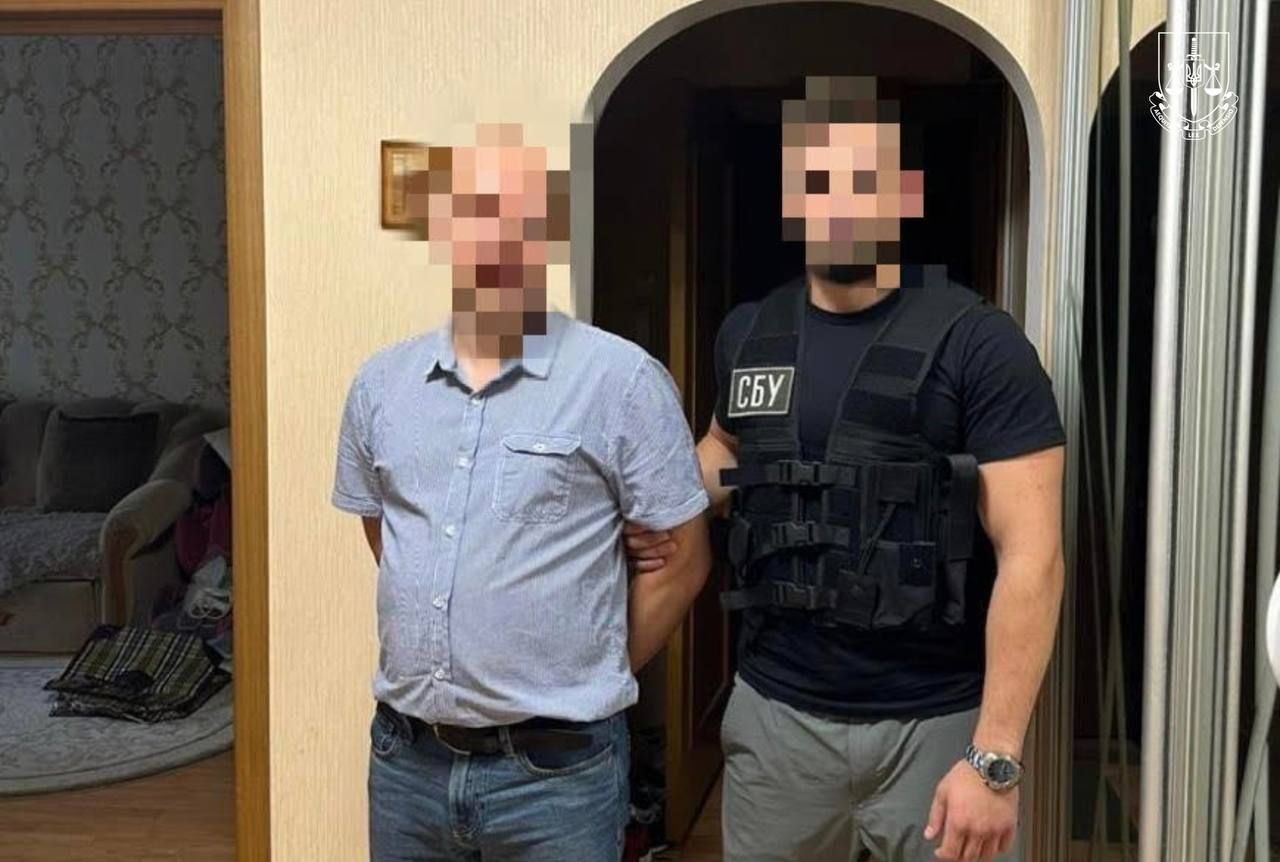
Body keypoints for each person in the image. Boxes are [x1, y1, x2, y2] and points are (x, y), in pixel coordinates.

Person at [626, 77, 1066, 862]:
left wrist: (994, 757)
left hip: (935, 725)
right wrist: (655, 506)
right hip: (778, 717)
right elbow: (727, 448)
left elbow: (1034, 557)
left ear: (905, 194)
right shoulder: (750, 332)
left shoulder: (979, 343)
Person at [333, 123, 712, 862]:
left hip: (557, 779)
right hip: (407, 765)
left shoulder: (621, 381)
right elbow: (387, 533)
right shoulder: (381, 385)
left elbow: (684, 559)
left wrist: (587, 672)